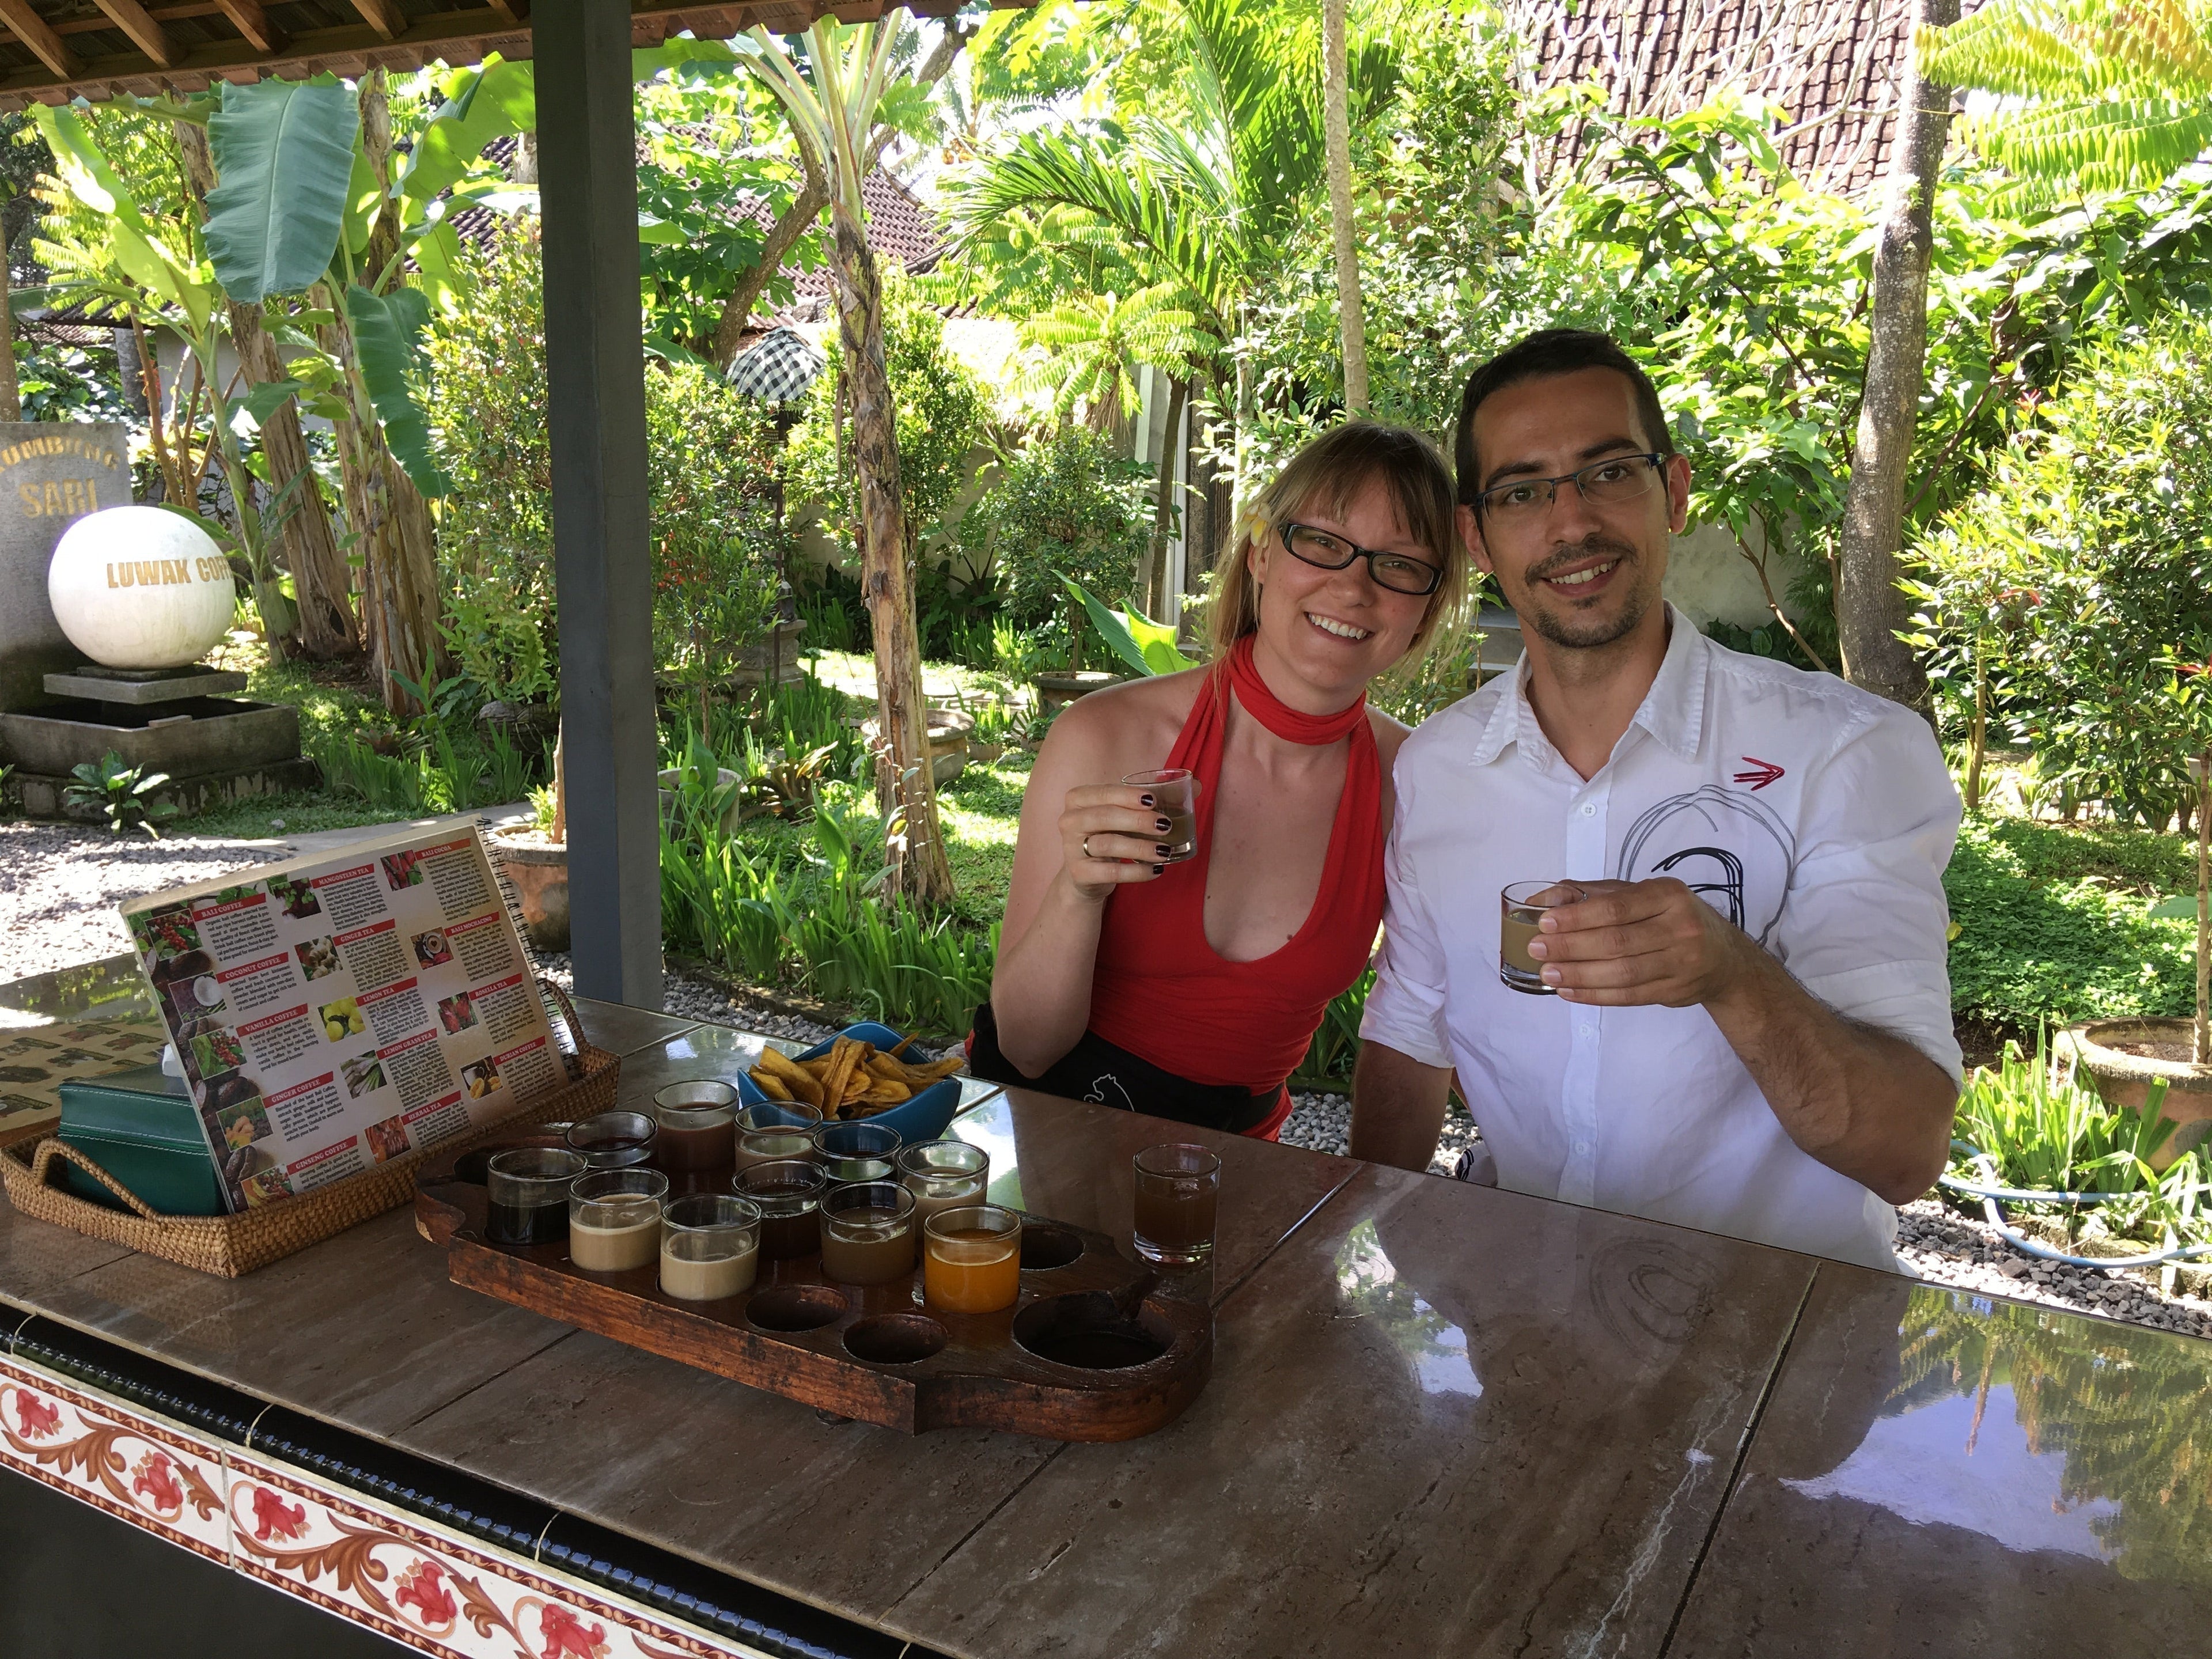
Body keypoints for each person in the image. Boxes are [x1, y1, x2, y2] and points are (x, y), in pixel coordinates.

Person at [1350, 329, 1960, 1270]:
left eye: (1608, 474)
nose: (1569, 525)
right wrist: (1366, 1276)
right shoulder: (1439, 768)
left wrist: (1730, 973)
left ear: (1673, 490)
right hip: (1528, 1335)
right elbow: (1410, 1030)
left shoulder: (1846, 754)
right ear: (1478, 537)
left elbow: (1903, 1150)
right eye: (1521, 492)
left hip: (1773, 1358)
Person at [971, 421, 1467, 1137]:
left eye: (1399, 565)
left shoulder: (1413, 781)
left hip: (1233, 1173)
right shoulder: (1105, 736)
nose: (1353, 586)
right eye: (1323, 542)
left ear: (1424, 610)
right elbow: (1027, 1047)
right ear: (1263, 552)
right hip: (1041, 1137)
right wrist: (1079, 892)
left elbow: (1429, 1020)